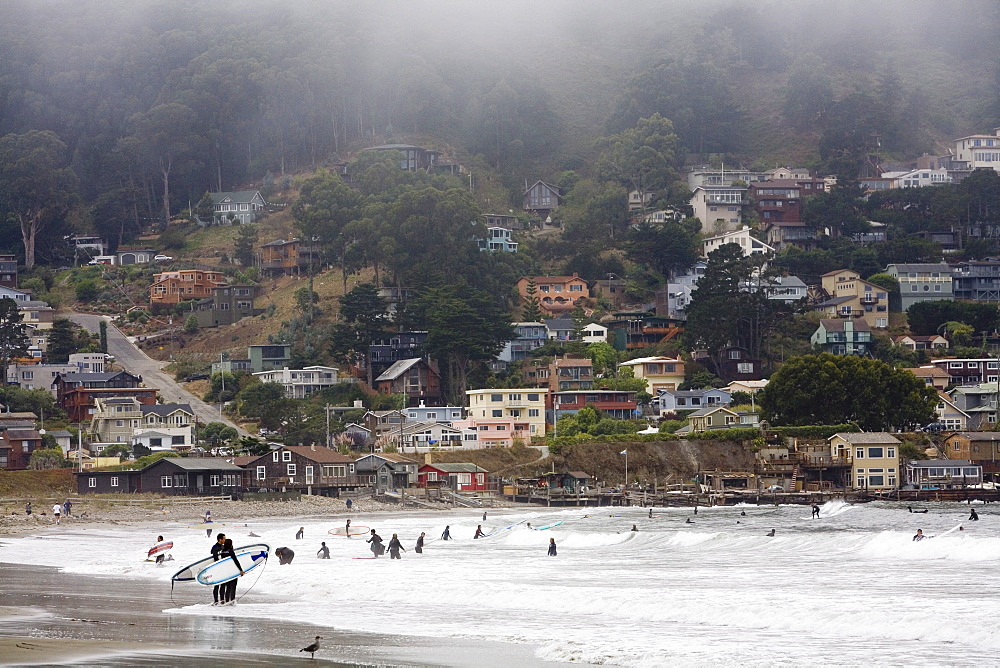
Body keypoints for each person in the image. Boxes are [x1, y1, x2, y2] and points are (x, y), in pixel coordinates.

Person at [220, 538, 244, 604]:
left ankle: (227, 601)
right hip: (232, 571)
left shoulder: (222, 552)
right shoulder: (230, 551)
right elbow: (236, 561)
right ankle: (232, 601)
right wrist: (241, 570)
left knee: (228, 587)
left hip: (226, 571)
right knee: (233, 587)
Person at [210, 533, 227, 605]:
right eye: (224, 539)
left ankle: (222, 600)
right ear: (220, 539)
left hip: (223, 568)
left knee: (223, 584)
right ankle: (216, 601)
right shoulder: (215, 547)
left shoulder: (223, 547)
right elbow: (215, 558)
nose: (225, 540)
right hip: (216, 568)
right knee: (216, 585)